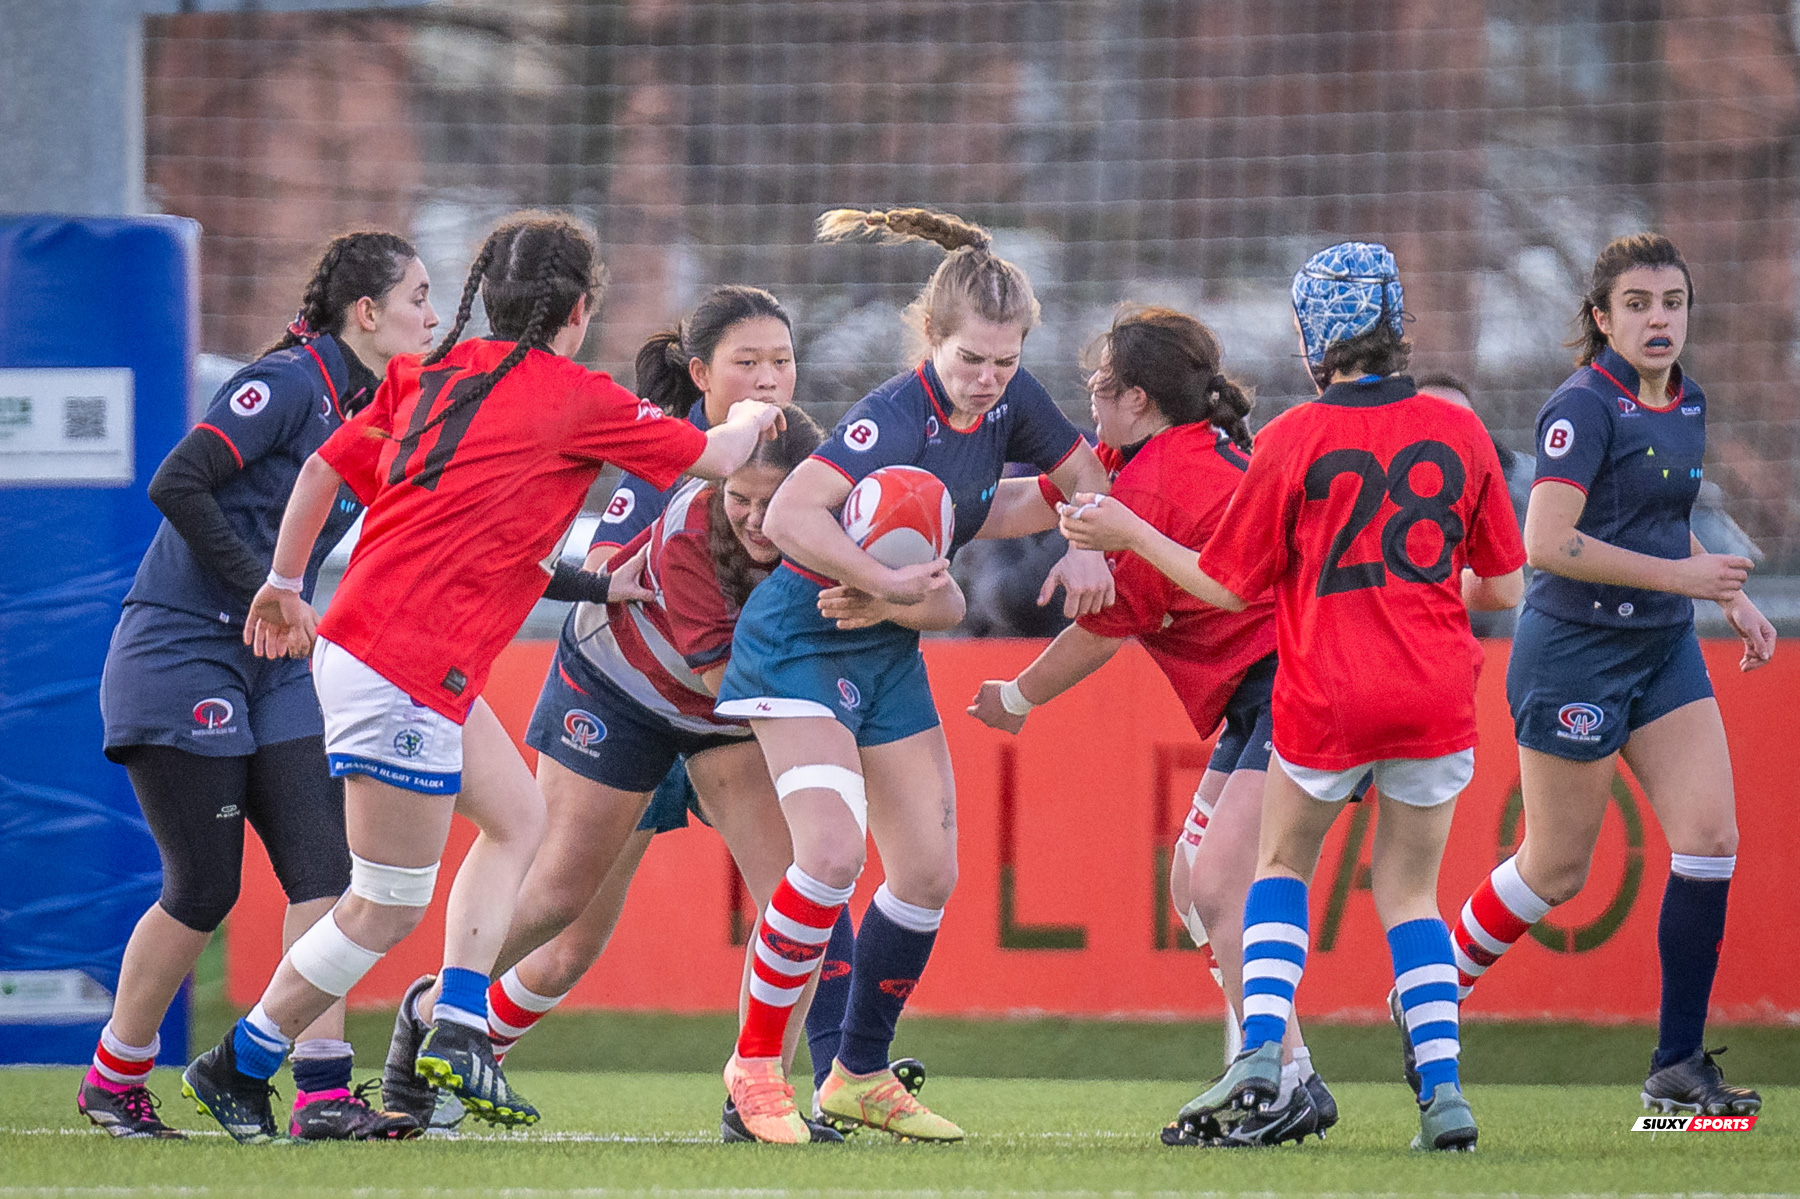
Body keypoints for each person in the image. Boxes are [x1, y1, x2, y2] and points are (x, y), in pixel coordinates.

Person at [179, 210, 784, 1144]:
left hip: (385, 651)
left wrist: (284, 582)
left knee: (518, 821)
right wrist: (749, 414)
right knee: (387, 901)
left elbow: (320, 475)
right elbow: (714, 455)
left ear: (485, 298)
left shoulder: (429, 372)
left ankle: (358, 1042)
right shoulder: (572, 395)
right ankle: (281, 1055)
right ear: (578, 310)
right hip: (401, 662)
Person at [1061, 242, 1526, 1152]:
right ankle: (1445, 1098)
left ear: (1314, 337)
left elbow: (1231, 587)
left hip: (1328, 695)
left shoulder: (1291, 438)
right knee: (1410, 894)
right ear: (1398, 325)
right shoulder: (1460, 430)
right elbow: (1505, 588)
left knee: (1278, 871)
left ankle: (1265, 1057)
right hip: (1436, 692)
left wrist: (1131, 532)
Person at [374, 285, 822, 1135]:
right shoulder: (670, 458)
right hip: (626, 688)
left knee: (802, 897)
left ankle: (766, 1092)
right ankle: (438, 1023)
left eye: (782, 361)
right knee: (559, 913)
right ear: (701, 373)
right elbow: (622, 565)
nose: (769, 380)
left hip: (724, 710)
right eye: (747, 363)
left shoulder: (812, 458)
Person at [710, 206, 1115, 1143]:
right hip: (800, 642)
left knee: (929, 873)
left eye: (1007, 361)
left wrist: (1089, 540)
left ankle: (857, 1074)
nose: (989, 379)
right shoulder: (890, 413)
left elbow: (1065, 481)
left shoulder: (1016, 405)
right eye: (972, 358)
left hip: (883, 656)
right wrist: (884, 580)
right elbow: (791, 519)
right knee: (831, 855)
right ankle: (756, 1066)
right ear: (933, 337)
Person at [89, 231, 436, 1141]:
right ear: (366, 313)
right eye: (418, 298)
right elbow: (179, 480)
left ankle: (323, 1090)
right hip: (181, 651)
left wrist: (596, 580)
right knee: (203, 887)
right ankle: (115, 1077)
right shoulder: (288, 382)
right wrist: (270, 590)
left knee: (326, 871)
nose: (432, 319)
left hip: (273, 661)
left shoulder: (377, 411)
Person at [966, 305, 1338, 1148]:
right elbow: (1036, 497)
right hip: (1265, 688)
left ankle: (1278, 1083)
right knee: (1191, 883)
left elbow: (1101, 631)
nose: (1089, 398)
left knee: (1217, 886)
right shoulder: (1149, 455)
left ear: (1135, 397)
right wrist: (943, 503)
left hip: (1293, 682)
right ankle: (1290, 1073)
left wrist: (1016, 699)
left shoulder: (1158, 482)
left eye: (1099, 386)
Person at [1441, 233, 1773, 1117]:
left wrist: (1729, 597)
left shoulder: (1688, 400)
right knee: (1555, 868)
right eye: (1637, 304)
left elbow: (1660, 521)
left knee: (1710, 839)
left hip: (1662, 647)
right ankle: (1434, 992)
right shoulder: (1581, 406)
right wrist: (1689, 582)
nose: (1658, 319)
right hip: (1574, 651)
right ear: (1602, 318)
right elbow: (1547, 543)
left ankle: (1675, 1067)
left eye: (1671, 302)